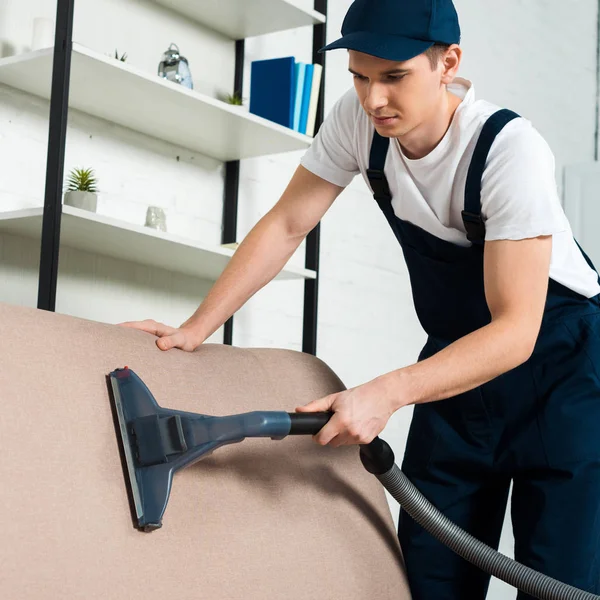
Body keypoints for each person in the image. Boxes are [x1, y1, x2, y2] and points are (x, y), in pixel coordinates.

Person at [121, 0, 600, 597]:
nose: (373, 99)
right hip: (456, 374)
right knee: (430, 572)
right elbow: (288, 223)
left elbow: (516, 330)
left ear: (447, 62)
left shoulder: (507, 148)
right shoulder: (359, 122)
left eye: (394, 76)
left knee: (559, 577)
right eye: (360, 75)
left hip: (557, 375)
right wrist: (197, 328)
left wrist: (386, 394)